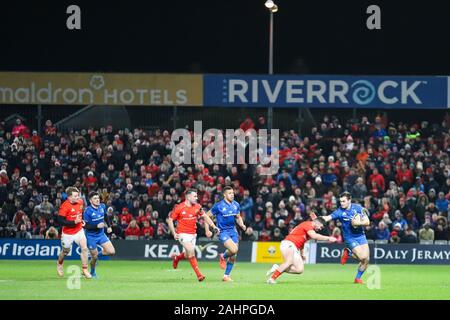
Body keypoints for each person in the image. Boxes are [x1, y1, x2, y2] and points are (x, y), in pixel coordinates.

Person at [168, 189, 219, 282]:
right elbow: (170, 220)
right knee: (191, 251)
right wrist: (174, 233)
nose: (196, 198)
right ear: (188, 197)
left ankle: (177, 257)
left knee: (188, 255)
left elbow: (205, 217)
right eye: (194, 196)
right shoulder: (179, 207)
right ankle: (199, 275)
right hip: (182, 234)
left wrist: (213, 226)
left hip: (193, 235)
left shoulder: (197, 206)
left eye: (196, 196)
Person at [266, 218, 336, 284]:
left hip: (294, 247)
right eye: (321, 226)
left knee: (299, 269)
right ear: (317, 222)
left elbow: (302, 242)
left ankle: (277, 268)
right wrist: (328, 238)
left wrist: (302, 254)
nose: (320, 229)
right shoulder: (308, 224)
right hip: (288, 243)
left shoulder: (309, 230)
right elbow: (314, 236)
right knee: (289, 261)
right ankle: (272, 279)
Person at [322, 191, 370, 284]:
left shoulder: (358, 208)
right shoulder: (339, 212)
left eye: (343, 201)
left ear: (349, 200)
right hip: (350, 238)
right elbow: (328, 217)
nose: (341, 203)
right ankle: (349, 252)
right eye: (340, 201)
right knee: (363, 257)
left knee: (366, 260)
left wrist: (357, 223)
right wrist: (319, 219)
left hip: (361, 236)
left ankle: (357, 279)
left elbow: (367, 222)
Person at [204, 186, 247, 282]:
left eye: (233, 193)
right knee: (234, 249)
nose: (232, 195)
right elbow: (206, 216)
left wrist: (242, 224)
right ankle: (222, 256)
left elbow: (238, 217)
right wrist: (207, 230)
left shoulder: (236, 205)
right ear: (224, 194)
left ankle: (226, 276)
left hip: (233, 231)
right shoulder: (218, 206)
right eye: (230, 193)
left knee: (233, 255)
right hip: (222, 231)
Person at [56, 187, 91, 279]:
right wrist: (73, 222)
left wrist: (81, 220)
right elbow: (60, 221)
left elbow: (79, 213)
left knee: (84, 248)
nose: (78, 197)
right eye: (75, 196)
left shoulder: (80, 202)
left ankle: (85, 269)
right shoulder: (64, 206)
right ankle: (59, 264)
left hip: (79, 230)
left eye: (78, 195)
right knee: (65, 252)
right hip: (67, 233)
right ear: (69, 197)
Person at [83, 191, 116, 279]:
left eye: (98, 198)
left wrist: (109, 226)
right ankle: (92, 273)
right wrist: (96, 226)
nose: (97, 200)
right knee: (94, 257)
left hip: (101, 235)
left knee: (111, 252)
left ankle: (95, 257)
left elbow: (105, 216)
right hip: (91, 237)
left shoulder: (102, 206)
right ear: (90, 201)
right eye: (95, 198)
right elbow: (85, 225)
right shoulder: (87, 211)